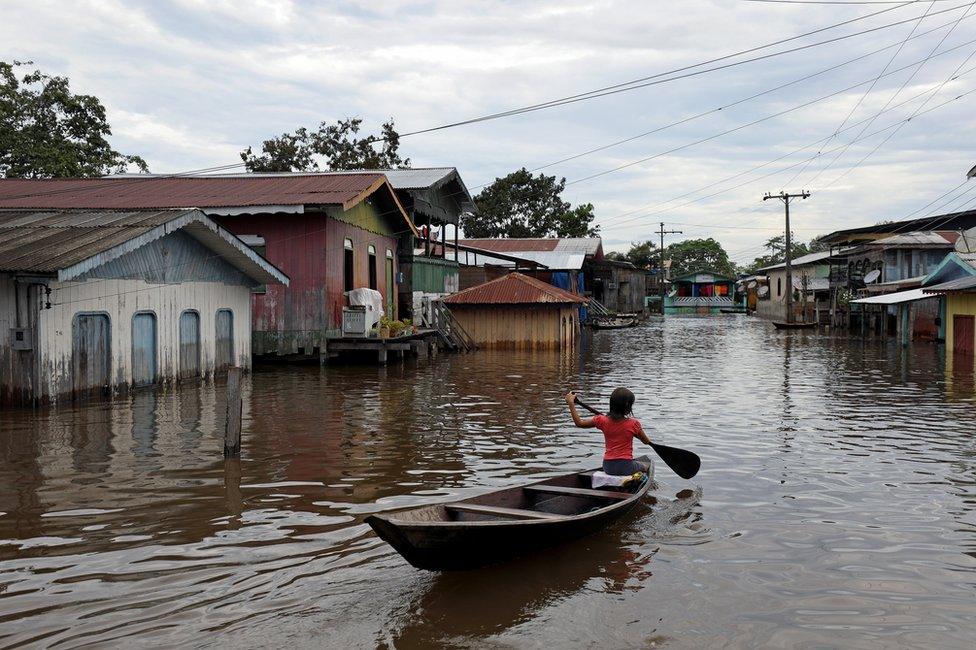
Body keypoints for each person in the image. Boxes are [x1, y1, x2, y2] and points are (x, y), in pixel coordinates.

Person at [565, 388, 652, 476]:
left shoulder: (602, 420)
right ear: (627, 406)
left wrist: (571, 404)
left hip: (608, 466)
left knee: (631, 466)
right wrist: (638, 433)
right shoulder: (634, 424)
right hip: (625, 466)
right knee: (645, 466)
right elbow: (646, 441)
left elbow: (579, 423)